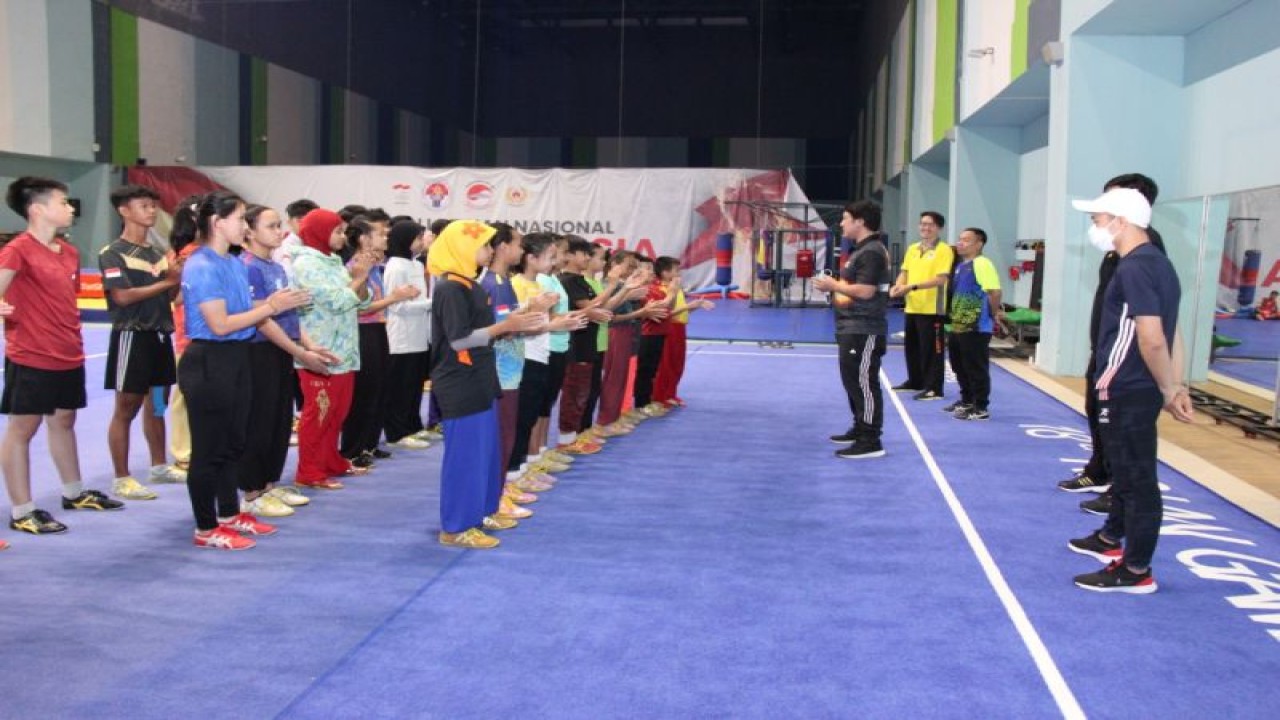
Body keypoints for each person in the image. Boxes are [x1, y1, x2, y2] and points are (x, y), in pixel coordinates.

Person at [1067, 187, 1193, 593]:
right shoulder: (1158, 263)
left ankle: (1136, 569)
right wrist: (1176, 385)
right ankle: (1111, 538)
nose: (1095, 227)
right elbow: (1175, 331)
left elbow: (1154, 338)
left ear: (1120, 221)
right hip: (1135, 388)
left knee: (1136, 479)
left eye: (1098, 219)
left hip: (1126, 388)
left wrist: (1169, 387)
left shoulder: (1135, 267)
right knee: (1125, 473)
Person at [178, 191, 313, 550]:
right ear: (217, 223)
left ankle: (229, 514)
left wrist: (277, 305)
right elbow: (219, 323)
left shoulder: (234, 262)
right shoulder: (201, 264)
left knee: (234, 442)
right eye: (240, 219)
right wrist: (270, 305)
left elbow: (245, 308)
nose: (244, 225)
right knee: (209, 449)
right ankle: (205, 528)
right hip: (210, 360)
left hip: (237, 358)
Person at [2, 177, 124, 536]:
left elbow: (64, 301)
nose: (71, 208)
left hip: (68, 351)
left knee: (64, 419)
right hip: (31, 353)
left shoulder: (68, 252)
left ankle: (73, 492)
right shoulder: (17, 250)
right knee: (22, 428)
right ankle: (23, 510)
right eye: (64, 202)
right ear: (38, 209)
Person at [428, 220, 545, 549]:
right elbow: (459, 341)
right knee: (464, 458)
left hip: (481, 378)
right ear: (462, 247)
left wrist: (514, 321)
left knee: (486, 454)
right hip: (460, 382)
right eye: (483, 245)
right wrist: (504, 326)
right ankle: (455, 526)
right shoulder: (450, 288)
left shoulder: (471, 285)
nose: (490, 250)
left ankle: (480, 512)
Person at [1059, 174, 1167, 517]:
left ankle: (1119, 492)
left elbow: (1153, 324)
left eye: (1106, 206)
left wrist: (1170, 383)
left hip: (1126, 362)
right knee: (1097, 413)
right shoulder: (1115, 251)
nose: (1097, 217)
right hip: (1106, 350)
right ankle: (1100, 470)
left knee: (1122, 430)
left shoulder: (1143, 253)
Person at [237, 205, 334, 517]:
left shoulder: (276, 267)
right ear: (248, 231)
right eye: (271, 226)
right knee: (259, 422)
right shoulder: (247, 267)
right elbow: (262, 320)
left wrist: (310, 345)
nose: (280, 231)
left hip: (283, 349)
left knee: (279, 420)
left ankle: (268, 484)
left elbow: (291, 316)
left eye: (280, 225)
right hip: (259, 351)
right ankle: (251, 491)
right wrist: (300, 353)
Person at [99, 184, 187, 502]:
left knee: (157, 405)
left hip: (161, 335)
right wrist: (167, 280)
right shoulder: (112, 253)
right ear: (124, 210)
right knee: (126, 408)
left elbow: (171, 298)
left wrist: (177, 281)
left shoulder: (157, 255)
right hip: (131, 335)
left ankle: (158, 466)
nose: (151, 211)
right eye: (144, 205)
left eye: (153, 205)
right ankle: (122, 478)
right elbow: (121, 297)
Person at [289, 208, 373, 490]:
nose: (342, 236)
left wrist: (360, 279)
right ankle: (308, 471)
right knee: (319, 413)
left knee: (337, 412)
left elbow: (358, 302)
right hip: (320, 350)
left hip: (344, 349)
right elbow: (337, 300)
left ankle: (330, 460)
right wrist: (359, 277)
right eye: (336, 231)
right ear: (320, 234)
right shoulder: (306, 265)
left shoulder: (334, 261)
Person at [813, 199, 892, 459]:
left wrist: (833, 286)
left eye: (846, 218)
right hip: (851, 325)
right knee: (852, 382)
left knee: (864, 383)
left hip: (864, 327)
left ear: (860, 221)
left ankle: (871, 440)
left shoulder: (871, 252)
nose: (842, 223)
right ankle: (860, 427)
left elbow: (866, 291)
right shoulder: (861, 250)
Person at [340, 215, 419, 468]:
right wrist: (394, 298)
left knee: (379, 389)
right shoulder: (356, 266)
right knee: (364, 392)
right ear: (364, 239)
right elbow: (359, 307)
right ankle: (352, 449)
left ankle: (369, 444)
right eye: (381, 234)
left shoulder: (376, 266)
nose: (386, 238)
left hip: (377, 328)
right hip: (362, 331)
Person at [890, 211, 954, 400]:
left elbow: (941, 279)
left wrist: (912, 286)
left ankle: (934, 388)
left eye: (930, 224)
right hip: (912, 306)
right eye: (922, 224)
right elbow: (904, 271)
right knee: (913, 347)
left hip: (933, 309)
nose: (925, 228)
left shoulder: (944, 250)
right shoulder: (913, 249)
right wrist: (898, 285)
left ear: (939, 228)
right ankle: (916, 381)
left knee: (932, 350)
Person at [382, 220, 434, 449]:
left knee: (414, 386)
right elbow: (397, 306)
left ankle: (413, 425)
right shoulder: (396, 265)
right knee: (400, 387)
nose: (422, 242)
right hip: (401, 336)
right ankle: (397, 432)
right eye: (418, 238)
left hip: (419, 334)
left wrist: (426, 304)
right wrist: (431, 303)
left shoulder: (415, 265)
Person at [943, 228, 1004, 421]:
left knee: (975, 366)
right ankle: (967, 400)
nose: (960, 243)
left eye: (966, 240)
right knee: (958, 364)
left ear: (979, 244)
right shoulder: (961, 265)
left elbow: (994, 292)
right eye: (960, 239)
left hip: (976, 326)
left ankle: (980, 407)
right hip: (958, 325)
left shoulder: (983, 263)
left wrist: (993, 314)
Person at [652, 266, 714, 409]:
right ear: (664, 272)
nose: (678, 273)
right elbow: (667, 313)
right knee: (666, 364)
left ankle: (670, 393)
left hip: (680, 327)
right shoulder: (661, 289)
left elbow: (683, 311)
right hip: (669, 327)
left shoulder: (677, 289)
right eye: (675, 270)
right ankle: (660, 396)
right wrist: (687, 306)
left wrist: (695, 306)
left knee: (677, 363)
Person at [634, 256, 682, 417]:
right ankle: (641, 404)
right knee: (645, 370)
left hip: (660, 332)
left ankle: (647, 401)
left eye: (650, 269)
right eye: (646, 269)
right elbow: (661, 310)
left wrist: (672, 294)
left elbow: (669, 308)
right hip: (648, 333)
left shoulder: (657, 289)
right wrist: (672, 292)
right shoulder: (645, 290)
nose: (650, 272)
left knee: (652, 369)